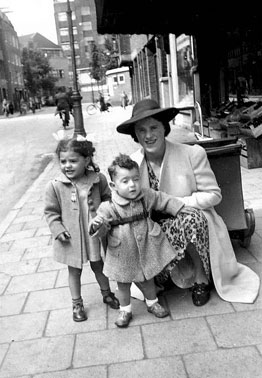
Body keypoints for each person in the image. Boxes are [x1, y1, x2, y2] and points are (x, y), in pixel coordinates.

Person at [116, 98, 260, 305]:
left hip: (189, 219)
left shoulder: (192, 153)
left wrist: (175, 203)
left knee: (190, 219)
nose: (148, 135)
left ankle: (201, 279)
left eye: (154, 127)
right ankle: (159, 277)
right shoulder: (132, 163)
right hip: (153, 227)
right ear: (135, 135)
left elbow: (213, 194)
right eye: (141, 130)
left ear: (164, 128)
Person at [89, 154, 201, 327]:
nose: (132, 185)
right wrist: (97, 225)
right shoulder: (108, 207)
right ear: (113, 185)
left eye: (135, 179)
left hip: (146, 246)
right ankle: (125, 310)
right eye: (125, 181)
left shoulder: (146, 196)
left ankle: (152, 302)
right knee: (123, 284)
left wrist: (179, 208)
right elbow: (102, 228)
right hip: (122, 252)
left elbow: (161, 199)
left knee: (148, 277)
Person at [44, 135, 119, 322]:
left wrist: (106, 216)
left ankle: (107, 293)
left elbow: (109, 198)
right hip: (72, 236)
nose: (67, 165)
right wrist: (58, 229)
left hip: (94, 234)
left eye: (73, 161)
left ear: (86, 160)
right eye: (63, 161)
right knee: (74, 270)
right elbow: (51, 212)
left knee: (98, 264)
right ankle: (77, 303)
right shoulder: (55, 186)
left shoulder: (98, 179)